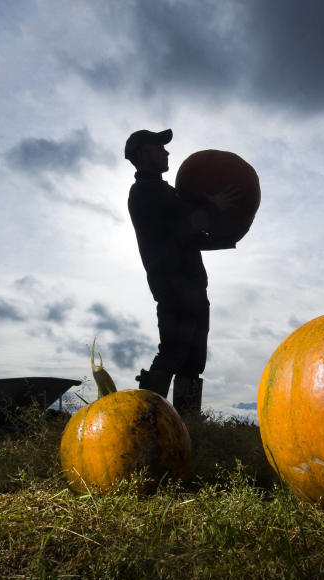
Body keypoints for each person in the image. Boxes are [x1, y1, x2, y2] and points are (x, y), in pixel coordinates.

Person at [124, 128, 238, 417]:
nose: (167, 152)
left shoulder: (165, 192)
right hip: (174, 286)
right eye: (159, 147)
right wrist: (214, 207)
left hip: (193, 286)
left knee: (193, 360)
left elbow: (191, 236)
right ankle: (144, 420)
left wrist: (228, 236)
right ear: (142, 154)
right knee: (174, 351)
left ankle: (187, 427)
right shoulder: (144, 192)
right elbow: (182, 230)